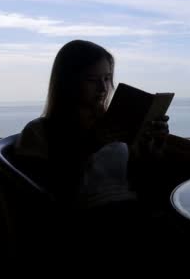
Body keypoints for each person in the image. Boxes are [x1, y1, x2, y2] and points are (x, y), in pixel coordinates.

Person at [13, 40, 171, 257]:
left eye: (107, 78)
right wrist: (90, 147)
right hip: (83, 225)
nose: (103, 88)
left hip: (129, 210)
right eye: (91, 80)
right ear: (68, 82)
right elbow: (45, 199)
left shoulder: (114, 124)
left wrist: (153, 150)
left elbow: (133, 180)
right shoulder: (39, 131)